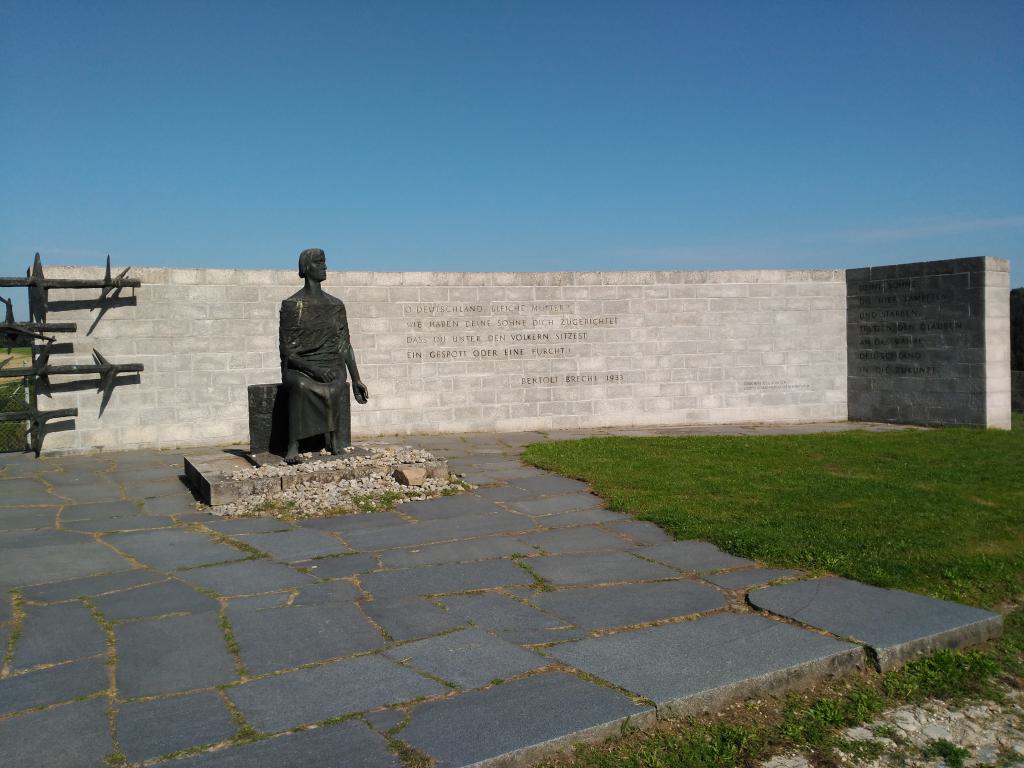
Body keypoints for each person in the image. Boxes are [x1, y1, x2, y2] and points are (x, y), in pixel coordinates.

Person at [279, 248, 369, 462]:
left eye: (324, 262)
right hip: (300, 367)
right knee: (301, 387)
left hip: (331, 365)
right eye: (320, 262)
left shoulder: (335, 305)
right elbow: (288, 353)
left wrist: (356, 379)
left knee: (335, 386)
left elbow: (345, 345)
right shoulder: (292, 305)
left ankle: (334, 439)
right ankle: (294, 444)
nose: (325, 267)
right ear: (307, 268)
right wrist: (314, 370)